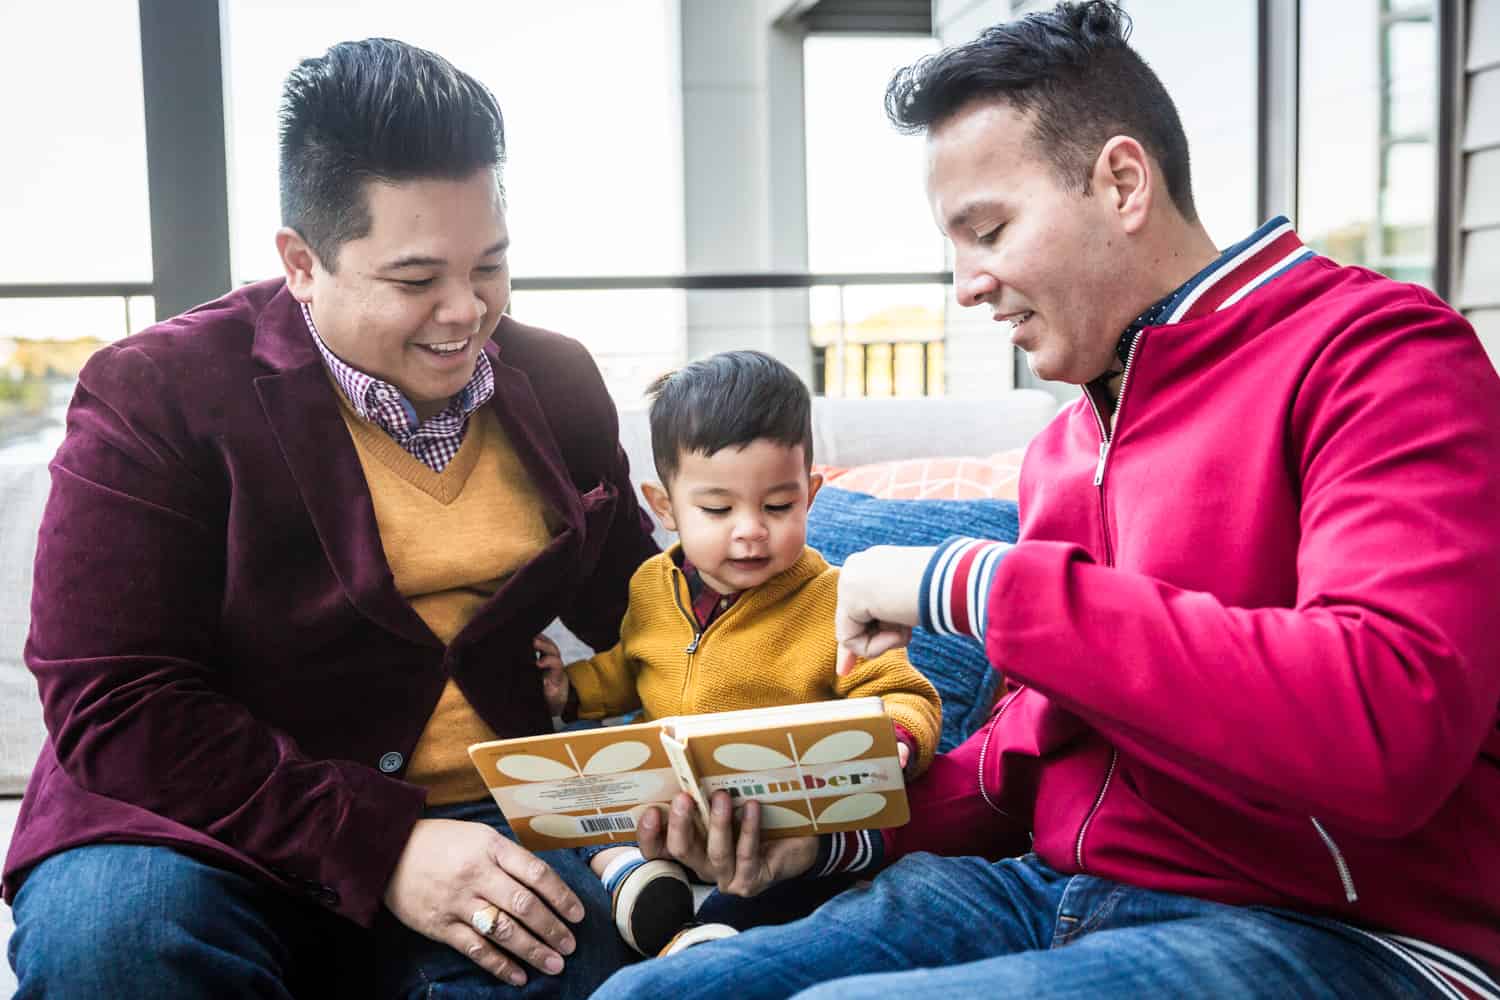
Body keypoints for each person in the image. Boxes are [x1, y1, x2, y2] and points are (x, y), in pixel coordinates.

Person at [592, 3, 1500, 997]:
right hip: (1056, 888)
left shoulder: (1379, 356)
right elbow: (1020, 766)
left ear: (1120, 181)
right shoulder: (1067, 448)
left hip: (1337, 932)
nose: (966, 287)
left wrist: (970, 582)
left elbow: (1385, 722)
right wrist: (823, 840)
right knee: (653, 993)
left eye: (988, 230)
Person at [3, 38, 660, 998]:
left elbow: (642, 610)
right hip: (199, 825)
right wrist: (379, 842)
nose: (465, 310)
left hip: (494, 808)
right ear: (303, 264)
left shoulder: (556, 378)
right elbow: (117, 701)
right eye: (415, 279)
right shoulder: (154, 392)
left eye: (492, 265)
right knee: (119, 949)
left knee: (633, 946)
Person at [532, 350, 941, 957]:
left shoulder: (837, 600)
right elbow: (629, 666)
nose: (750, 529)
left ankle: (704, 938)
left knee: (765, 892)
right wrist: (573, 689)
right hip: (669, 813)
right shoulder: (651, 584)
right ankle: (637, 884)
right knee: (558, 814)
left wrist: (894, 741)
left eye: (778, 506)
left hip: (776, 825)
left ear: (810, 494)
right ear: (666, 507)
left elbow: (903, 691)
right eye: (718, 510)